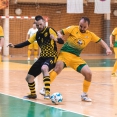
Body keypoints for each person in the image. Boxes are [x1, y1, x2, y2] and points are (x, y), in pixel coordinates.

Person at [40, 17, 112, 102]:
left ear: (88, 26)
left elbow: (100, 41)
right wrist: (59, 36)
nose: (82, 28)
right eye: (80, 26)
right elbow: (59, 32)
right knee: (58, 68)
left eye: (84, 27)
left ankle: (84, 95)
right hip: (65, 54)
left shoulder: (90, 35)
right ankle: (45, 88)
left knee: (88, 73)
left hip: (75, 57)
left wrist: (107, 48)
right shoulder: (73, 28)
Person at [8, 15, 64, 100]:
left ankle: (47, 92)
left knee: (44, 68)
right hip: (42, 58)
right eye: (37, 25)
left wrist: (55, 39)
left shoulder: (50, 30)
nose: (39, 27)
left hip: (52, 57)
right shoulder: (36, 34)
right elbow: (26, 42)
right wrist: (14, 46)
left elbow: (61, 41)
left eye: (41, 24)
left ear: (44, 23)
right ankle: (33, 94)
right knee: (29, 78)